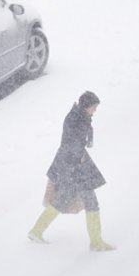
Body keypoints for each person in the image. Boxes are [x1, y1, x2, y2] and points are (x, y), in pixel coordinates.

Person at [27, 91, 115, 251]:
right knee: (91, 201)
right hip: (75, 166)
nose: (95, 111)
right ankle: (96, 242)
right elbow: (73, 142)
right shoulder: (78, 120)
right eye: (93, 107)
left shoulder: (78, 116)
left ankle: (36, 231)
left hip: (68, 164)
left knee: (62, 199)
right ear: (86, 106)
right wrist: (78, 158)